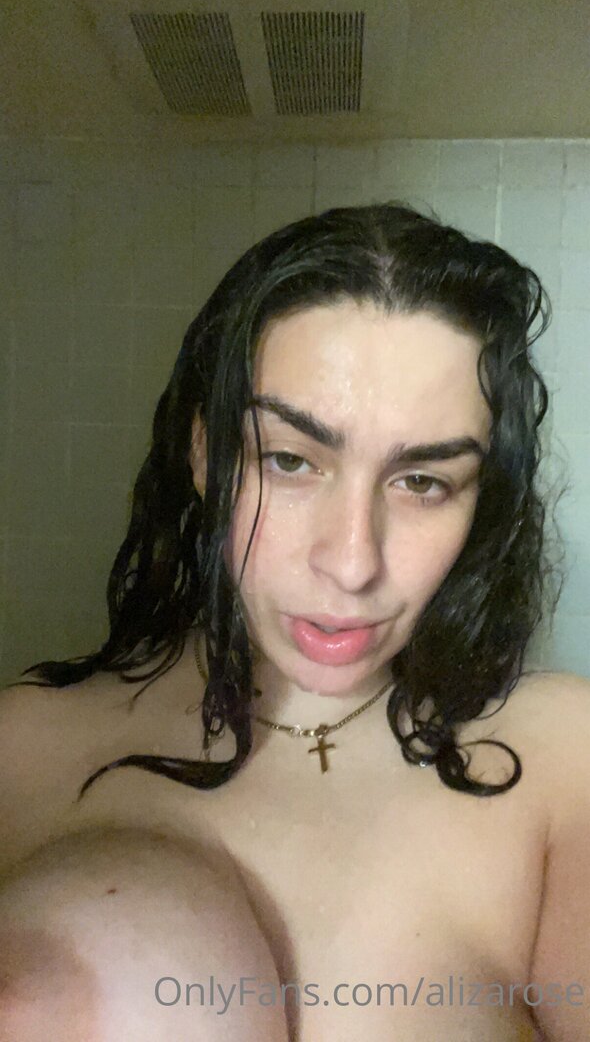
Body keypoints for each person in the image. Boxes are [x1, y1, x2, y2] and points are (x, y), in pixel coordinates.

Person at [0, 201, 588, 1042]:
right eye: (289, 459)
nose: (352, 563)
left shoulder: (561, 765)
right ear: (205, 457)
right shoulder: (24, 748)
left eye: (423, 481)